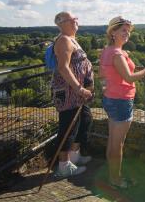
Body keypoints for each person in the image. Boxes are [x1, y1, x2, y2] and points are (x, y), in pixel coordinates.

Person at [99, 16, 145, 188]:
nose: (127, 34)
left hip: (111, 98)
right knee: (118, 144)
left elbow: (105, 74)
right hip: (121, 101)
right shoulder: (117, 54)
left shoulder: (109, 51)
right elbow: (130, 78)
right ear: (113, 32)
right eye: (123, 30)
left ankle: (112, 175)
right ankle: (116, 179)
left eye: (128, 31)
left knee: (112, 141)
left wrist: (125, 55)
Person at [51, 11, 94, 177]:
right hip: (69, 93)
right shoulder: (63, 40)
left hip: (77, 94)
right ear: (61, 23)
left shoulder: (72, 40)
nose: (76, 20)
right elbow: (63, 68)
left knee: (84, 121)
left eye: (76, 18)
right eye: (72, 19)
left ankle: (74, 158)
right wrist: (79, 88)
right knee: (68, 127)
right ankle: (63, 166)